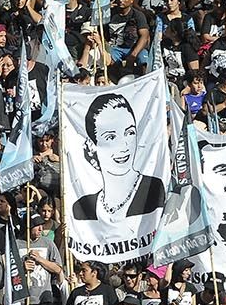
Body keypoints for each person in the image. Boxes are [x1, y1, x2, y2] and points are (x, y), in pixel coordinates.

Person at [71, 93, 166, 222]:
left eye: (129, 133)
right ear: (92, 145)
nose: (124, 146)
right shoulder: (81, 208)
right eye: (111, 137)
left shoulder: (152, 189)